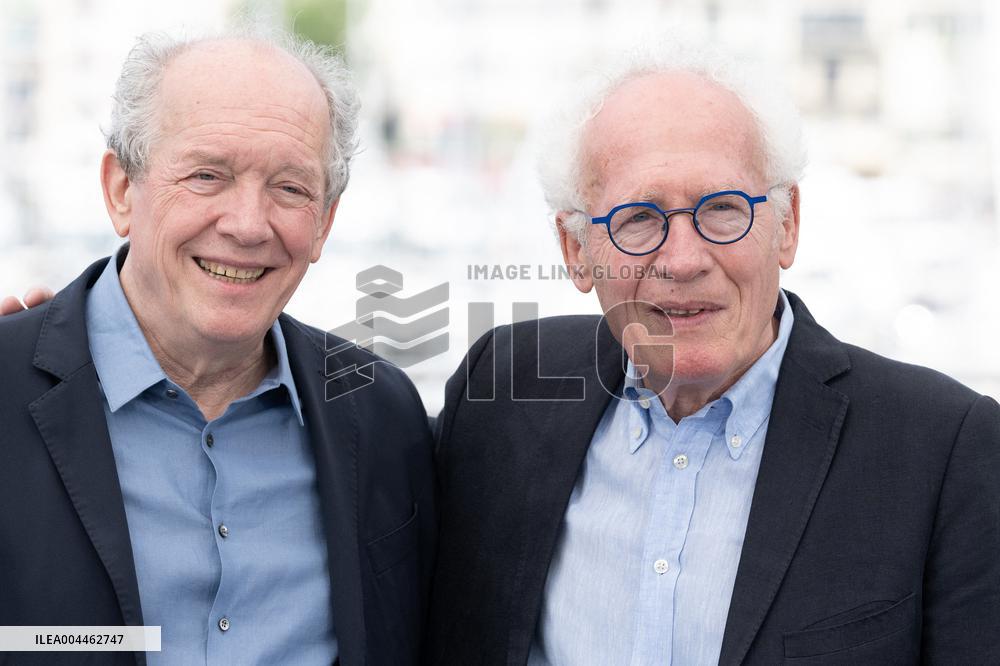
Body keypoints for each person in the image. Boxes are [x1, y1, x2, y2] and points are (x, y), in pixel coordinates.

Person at [426, 43, 1000, 664]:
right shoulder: (502, 393)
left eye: (723, 209)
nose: (683, 260)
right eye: (639, 218)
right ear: (576, 251)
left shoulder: (944, 449)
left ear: (787, 224)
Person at [0, 27, 434, 666]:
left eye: (290, 187)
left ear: (325, 221)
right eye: (207, 175)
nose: (248, 225)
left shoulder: (382, 412)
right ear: (121, 190)